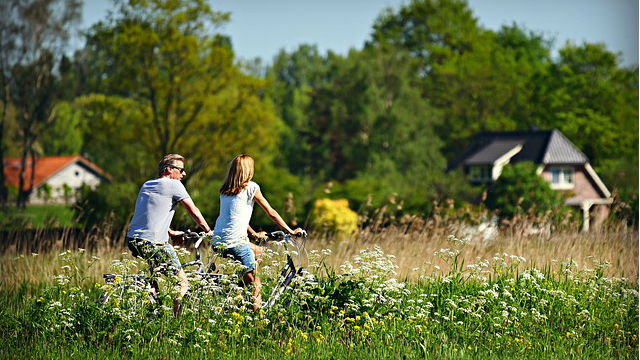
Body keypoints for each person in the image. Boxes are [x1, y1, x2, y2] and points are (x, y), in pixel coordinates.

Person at [212, 154, 305, 311]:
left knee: (259, 252)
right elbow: (270, 212)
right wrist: (290, 231)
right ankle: (257, 321)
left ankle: (242, 288)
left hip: (218, 241)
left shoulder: (225, 191)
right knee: (256, 284)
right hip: (236, 243)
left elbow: (235, 218)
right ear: (249, 171)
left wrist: (254, 234)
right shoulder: (251, 187)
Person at [126, 154, 212, 316]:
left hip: (133, 239)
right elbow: (193, 211)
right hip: (153, 243)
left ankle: (152, 311)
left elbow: (151, 214)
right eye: (180, 170)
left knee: (155, 277)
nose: (183, 174)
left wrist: (171, 232)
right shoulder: (174, 185)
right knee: (182, 283)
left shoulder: (147, 184)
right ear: (169, 170)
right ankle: (176, 322)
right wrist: (208, 231)